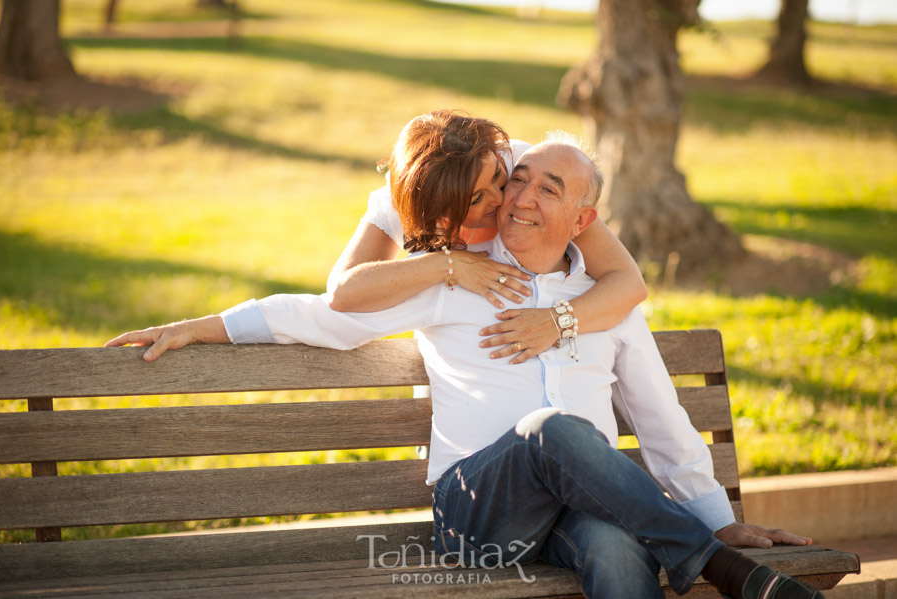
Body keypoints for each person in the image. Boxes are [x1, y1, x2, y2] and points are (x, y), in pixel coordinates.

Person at [106, 136, 822, 599]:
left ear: (583, 220)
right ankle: (719, 568)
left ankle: (707, 550)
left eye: (551, 188)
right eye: (519, 180)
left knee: (616, 552)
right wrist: (194, 327)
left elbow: (661, 417)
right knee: (557, 428)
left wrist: (716, 515)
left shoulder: (604, 304)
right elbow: (321, 313)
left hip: (577, 509)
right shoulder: (457, 284)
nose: (524, 196)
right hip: (480, 515)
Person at [325, 110, 647, 364]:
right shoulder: (404, 203)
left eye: (496, 177)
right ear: (441, 214)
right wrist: (447, 264)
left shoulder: (526, 171)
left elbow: (627, 281)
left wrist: (556, 322)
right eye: (477, 199)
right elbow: (344, 292)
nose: (504, 197)